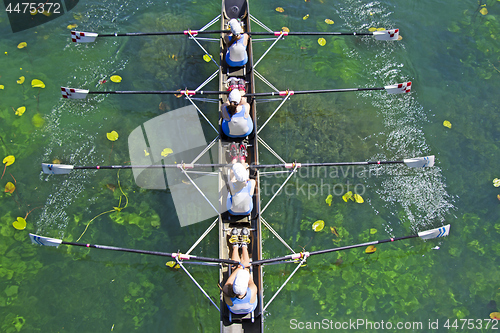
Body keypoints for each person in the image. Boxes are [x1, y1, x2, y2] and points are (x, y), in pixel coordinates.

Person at [223, 228, 258, 315]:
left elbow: (230, 279)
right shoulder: (253, 290)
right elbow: (249, 277)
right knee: (246, 269)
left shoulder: (226, 290)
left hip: (233, 310)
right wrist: (243, 267)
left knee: (237, 268)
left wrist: (239, 267)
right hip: (250, 308)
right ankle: (244, 245)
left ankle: (235, 246)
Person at [226, 143, 255, 215]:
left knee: (231, 179)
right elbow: (251, 181)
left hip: (232, 211)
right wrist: (245, 171)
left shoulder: (231, 184)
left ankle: (234, 160)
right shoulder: (252, 183)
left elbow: (234, 180)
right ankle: (243, 160)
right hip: (247, 211)